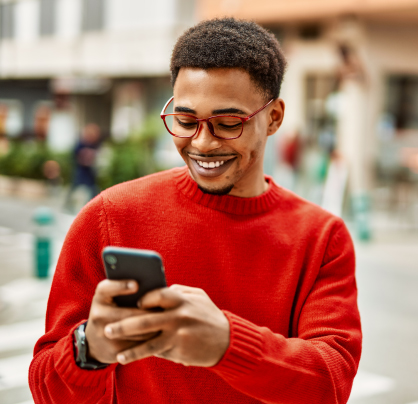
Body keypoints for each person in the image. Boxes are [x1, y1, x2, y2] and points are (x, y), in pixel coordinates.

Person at [29, 18, 361, 403]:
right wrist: (89, 350)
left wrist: (228, 344)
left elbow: (330, 383)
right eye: (186, 121)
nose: (202, 143)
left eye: (227, 123)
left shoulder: (321, 237)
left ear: (274, 118)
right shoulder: (109, 215)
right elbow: (46, 389)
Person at [64, 123, 101, 210]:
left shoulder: (94, 145)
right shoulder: (80, 144)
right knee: (74, 186)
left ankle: (93, 207)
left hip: (90, 172)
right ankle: (68, 205)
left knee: (93, 189)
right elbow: (75, 155)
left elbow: (96, 156)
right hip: (81, 171)